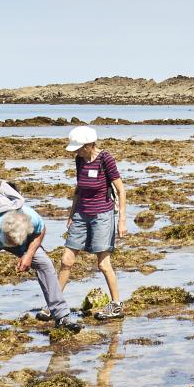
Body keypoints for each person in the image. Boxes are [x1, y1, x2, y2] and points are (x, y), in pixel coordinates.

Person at [0, 178, 76, 345]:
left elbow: (42, 230)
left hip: (22, 242)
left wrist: (29, 254)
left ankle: (61, 315)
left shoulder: (30, 216)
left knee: (45, 264)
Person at [56, 126, 127, 320]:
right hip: (81, 214)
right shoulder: (79, 160)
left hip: (102, 216)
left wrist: (121, 220)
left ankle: (116, 305)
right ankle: (54, 305)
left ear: (89, 145)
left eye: (79, 148)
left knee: (103, 264)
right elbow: (79, 189)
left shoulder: (106, 159)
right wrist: (71, 214)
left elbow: (121, 191)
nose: (76, 152)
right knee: (65, 261)